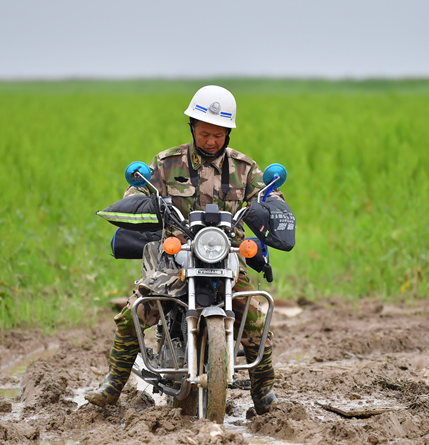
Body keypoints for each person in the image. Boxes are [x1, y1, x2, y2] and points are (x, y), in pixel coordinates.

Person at [86, 85, 291, 415]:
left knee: (255, 316)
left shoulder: (244, 168)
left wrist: (270, 209)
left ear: (228, 133)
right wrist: (145, 200)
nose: (211, 140)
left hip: (226, 257)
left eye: (219, 134)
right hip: (174, 258)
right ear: (193, 127)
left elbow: (268, 197)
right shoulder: (167, 163)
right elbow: (138, 189)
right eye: (205, 132)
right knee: (135, 313)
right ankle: (113, 382)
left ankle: (263, 390)